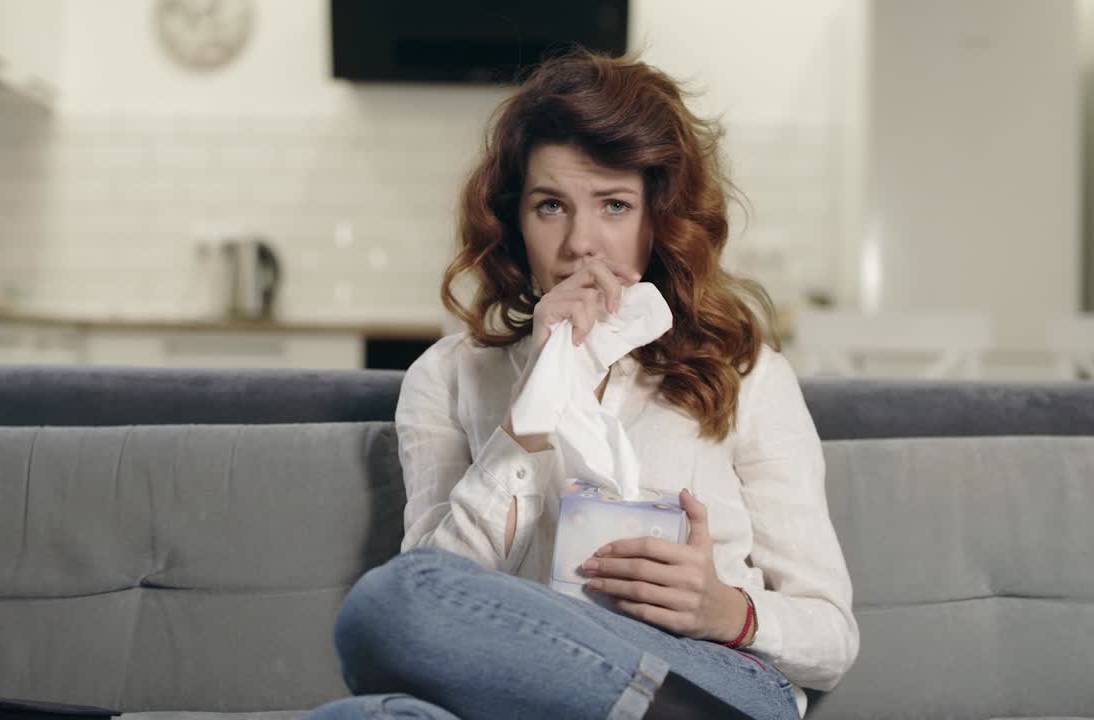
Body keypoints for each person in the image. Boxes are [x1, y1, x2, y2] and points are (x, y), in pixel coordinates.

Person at [305, 50, 859, 720]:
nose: (580, 244)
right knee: (372, 676)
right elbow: (438, 596)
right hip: (530, 683)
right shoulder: (449, 375)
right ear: (515, 221)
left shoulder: (746, 372)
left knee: (384, 604)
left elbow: (832, 635)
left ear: (659, 220)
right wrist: (536, 404)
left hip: (710, 677)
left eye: (615, 205)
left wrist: (724, 610)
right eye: (550, 207)